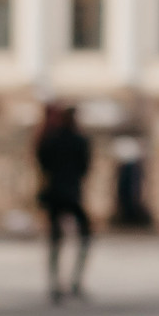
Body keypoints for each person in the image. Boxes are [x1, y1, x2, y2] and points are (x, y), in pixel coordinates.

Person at [35, 103, 94, 304]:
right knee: (85, 235)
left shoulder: (51, 139)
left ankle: (55, 284)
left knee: (55, 238)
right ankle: (75, 280)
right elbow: (85, 167)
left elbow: (41, 162)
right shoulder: (80, 140)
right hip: (72, 193)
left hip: (53, 193)